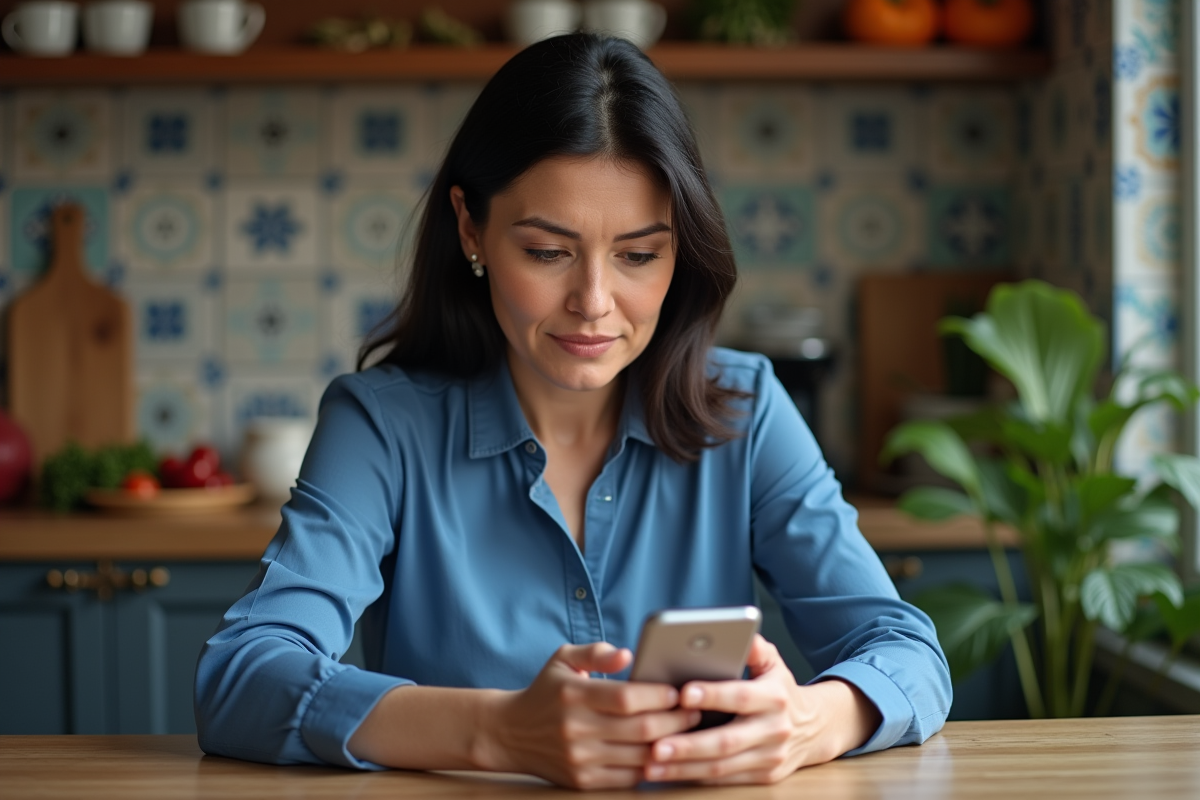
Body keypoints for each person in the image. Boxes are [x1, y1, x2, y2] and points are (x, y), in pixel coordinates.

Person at [194, 33, 951, 789]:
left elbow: (906, 652)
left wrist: (807, 722)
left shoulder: (747, 410)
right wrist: (499, 733)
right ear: (471, 229)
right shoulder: (380, 426)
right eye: (548, 252)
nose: (593, 302)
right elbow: (242, 677)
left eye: (638, 256)